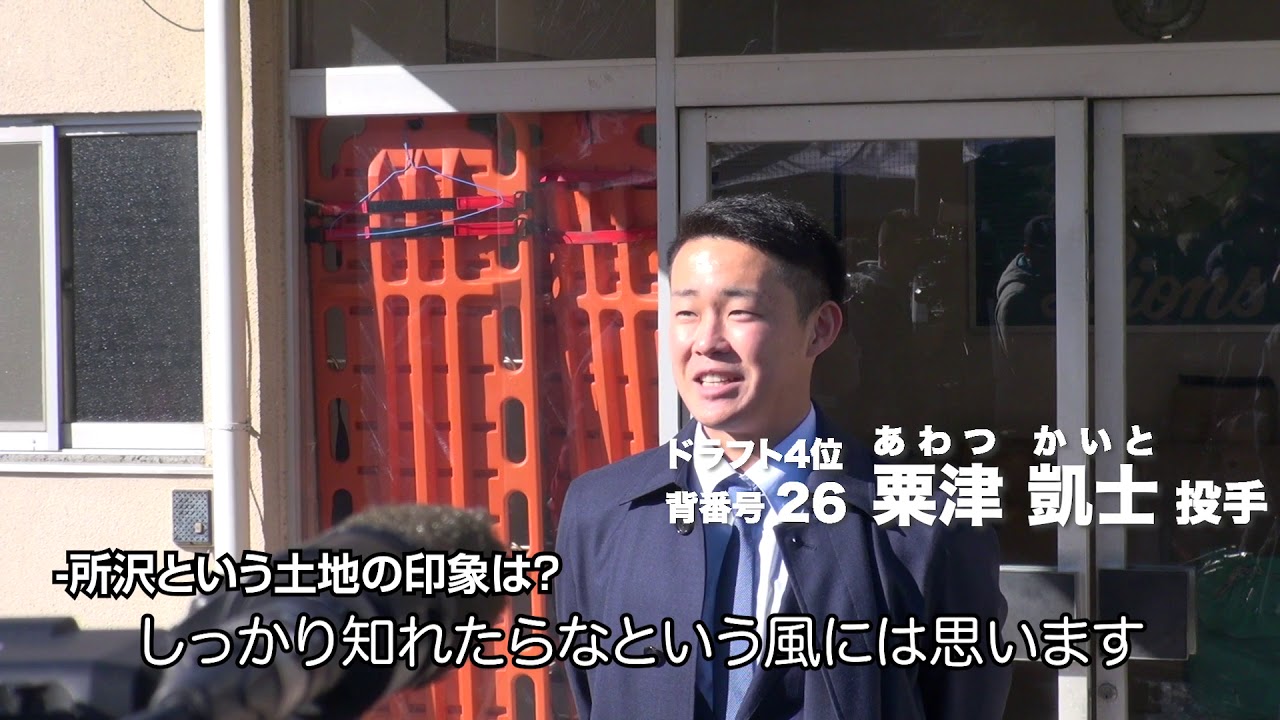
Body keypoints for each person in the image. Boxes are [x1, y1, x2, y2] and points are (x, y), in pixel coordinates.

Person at [553, 193, 1012, 720]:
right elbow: (594, 694)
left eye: (740, 312)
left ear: (820, 329)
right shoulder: (600, 511)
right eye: (686, 312)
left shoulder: (927, 527)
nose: (706, 341)